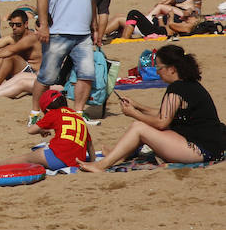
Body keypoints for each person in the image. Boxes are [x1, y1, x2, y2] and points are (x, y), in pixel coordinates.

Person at [80, 45, 226, 172]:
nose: (157, 72)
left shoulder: (177, 88)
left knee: (139, 128)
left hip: (201, 150)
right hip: (209, 145)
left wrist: (134, 113)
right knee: (145, 127)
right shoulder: (189, 84)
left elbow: (162, 122)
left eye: (159, 67)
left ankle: (101, 166)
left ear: (172, 69)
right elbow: (165, 114)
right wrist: (138, 106)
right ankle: (119, 155)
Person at [31, 0, 101, 127]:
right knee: (47, 76)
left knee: (87, 74)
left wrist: (95, 27)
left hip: (83, 35)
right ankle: (35, 112)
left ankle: (78, 113)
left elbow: (92, 0)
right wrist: (44, 25)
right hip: (58, 32)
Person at [0, 89, 95, 169]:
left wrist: (41, 130)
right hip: (77, 161)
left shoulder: (53, 113)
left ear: (47, 109)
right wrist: (93, 162)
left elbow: (30, 130)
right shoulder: (78, 117)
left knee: (26, 158)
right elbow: (89, 145)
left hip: (59, 157)